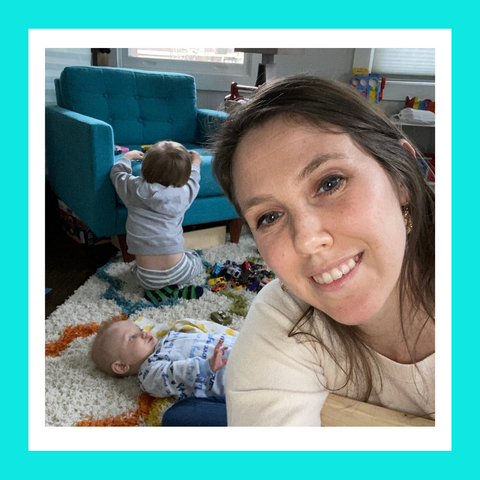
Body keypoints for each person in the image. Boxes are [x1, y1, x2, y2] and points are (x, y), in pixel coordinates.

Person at [210, 75, 435, 426]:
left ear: (401, 177)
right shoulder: (284, 318)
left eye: (330, 183)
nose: (306, 240)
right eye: (269, 217)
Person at [110, 141, 204, 304]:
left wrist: (127, 157)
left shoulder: (133, 188)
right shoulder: (184, 194)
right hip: (180, 270)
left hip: (147, 279)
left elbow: (117, 173)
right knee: (194, 257)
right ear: (183, 176)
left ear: (146, 167)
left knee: (134, 270)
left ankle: (160, 290)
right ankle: (177, 287)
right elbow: (194, 179)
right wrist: (196, 162)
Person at [90, 318, 235, 403]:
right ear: (121, 366)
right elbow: (176, 374)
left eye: (139, 329)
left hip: (235, 347)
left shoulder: (165, 340)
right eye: (132, 337)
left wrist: (223, 334)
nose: (144, 333)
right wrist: (205, 367)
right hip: (227, 375)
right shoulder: (149, 374)